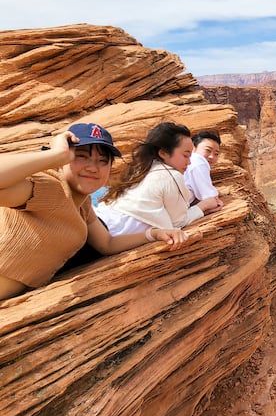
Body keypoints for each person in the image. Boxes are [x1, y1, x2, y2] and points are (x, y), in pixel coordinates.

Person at [0, 123, 187, 300]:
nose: (93, 167)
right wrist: (57, 154)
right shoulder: (49, 185)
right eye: (81, 156)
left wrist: (154, 233)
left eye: (102, 161)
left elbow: (107, 243)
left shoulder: (83, 205)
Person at [96, 122, 222, 236]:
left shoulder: (146, 167)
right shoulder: (172, 175)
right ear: (163, 153)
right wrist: (202, 206)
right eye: (186, 155)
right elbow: (178, 222)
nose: (189, 162)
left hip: (100, 219)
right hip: (109, 230)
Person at [184, 130, 223, 209]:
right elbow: (209, 197)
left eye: (216, 154)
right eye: (208, 150)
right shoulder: (198, 160)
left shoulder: (185, 161)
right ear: (193, 148)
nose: (212, 156)